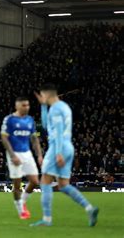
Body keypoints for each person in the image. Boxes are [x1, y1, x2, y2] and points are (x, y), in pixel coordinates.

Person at [31, 84, 99, 227]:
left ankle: (47, 219)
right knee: (63, 185)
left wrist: (58, 153)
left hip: (58, 146)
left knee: (45, 181)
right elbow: (45, 126)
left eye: (42, 96)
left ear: (46, 95)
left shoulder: (55, 109)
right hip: (68, 147)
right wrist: (43, 107)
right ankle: (89, 208)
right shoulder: (64, 107)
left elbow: (58, 129)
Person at [0, 96, 43, 220]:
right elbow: (4, 138)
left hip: (27, 153)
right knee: (17, 184)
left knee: (35, 181)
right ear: (17, 106)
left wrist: (39, 155)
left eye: (28, 105)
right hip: (14, 153)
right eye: (24, 105)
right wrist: (13, 156)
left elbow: (34, 139)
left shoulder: (30, 120)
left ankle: (22, 201)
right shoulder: (9, 119)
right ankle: (19, 208)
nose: (27, 107)